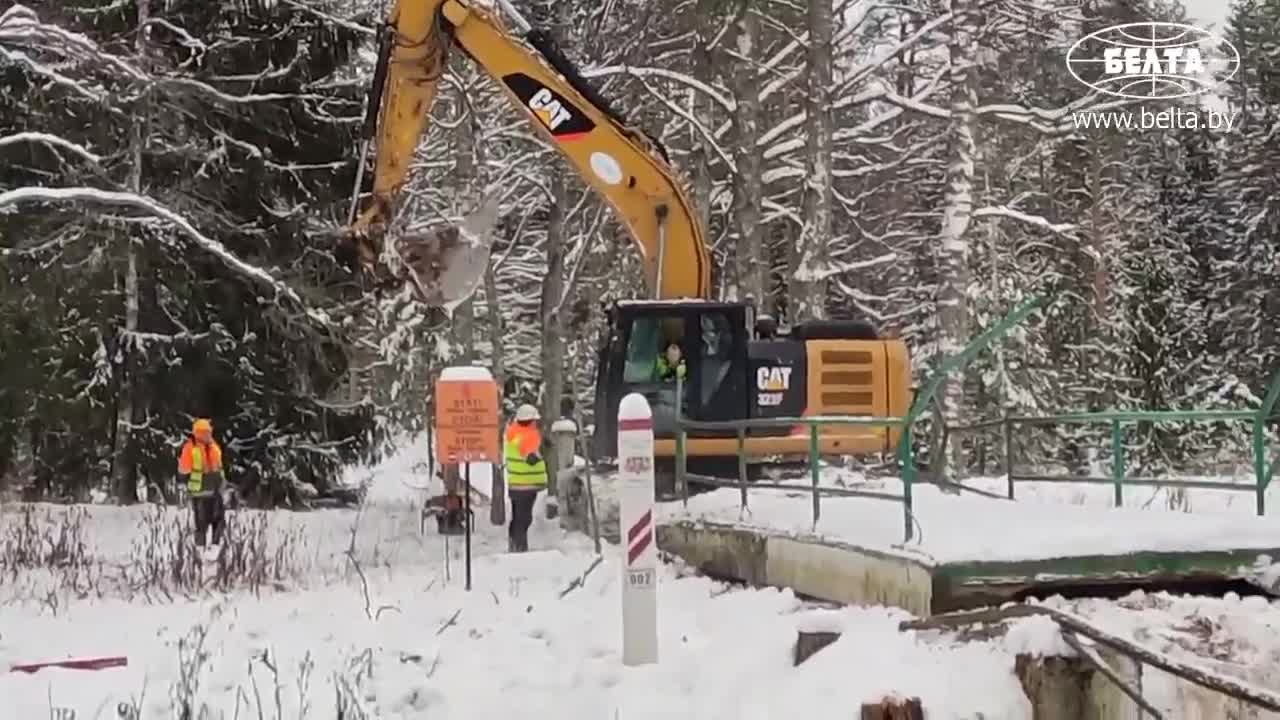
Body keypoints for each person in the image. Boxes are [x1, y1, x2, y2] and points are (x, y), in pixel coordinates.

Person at [178, 418, 226, 551]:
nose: (208, 434)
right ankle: (200, 549)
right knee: (202, 523)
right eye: (205, 432)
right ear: (198, 432)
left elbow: (219, 468)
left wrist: (222, 483)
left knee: (218, 520)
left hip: (214, 491)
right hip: (200, 491)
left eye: (208, 432)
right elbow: (183, 469)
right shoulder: (190, 447)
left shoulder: (214, 447)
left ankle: (216, 547)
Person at [503, 403, 546, 552]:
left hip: (516, 483)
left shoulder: (513, 433)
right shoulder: (527, 436)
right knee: (524, 518)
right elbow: (531, 459)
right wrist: (544, 451)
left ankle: (514, 544)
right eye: (535, 420)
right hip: (526, 484)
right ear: (530, 421)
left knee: (518, 517)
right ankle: (519, 547)